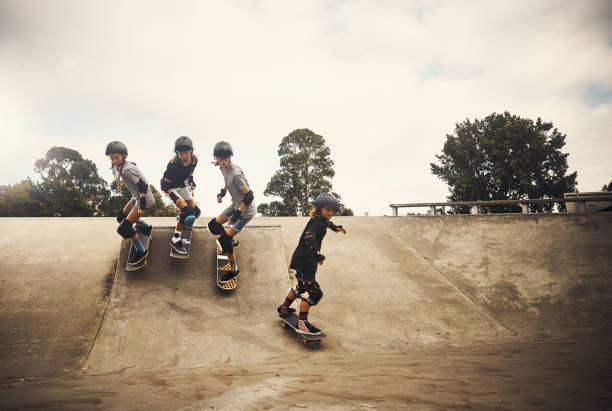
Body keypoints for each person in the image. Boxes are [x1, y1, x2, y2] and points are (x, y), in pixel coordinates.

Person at [277, 193, 346, 334]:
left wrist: (336, 228)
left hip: (299, 258)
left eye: (332, 210)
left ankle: (284, 308)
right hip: (307, 260)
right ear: (320, 209)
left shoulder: (319, 219)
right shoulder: (318, 223)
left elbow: (327, 223)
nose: (330, 213)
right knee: (313, 293)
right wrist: (317, 255)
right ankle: (302, 324)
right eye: (328, 210)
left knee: (301, 287)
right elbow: (309, 237)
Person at [207, 141, 256, 282]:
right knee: (214, 226)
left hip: (246, 210)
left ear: (230, 157)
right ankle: (231, 240)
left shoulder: (236, 174)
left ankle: (233, 269)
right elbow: (227, 182)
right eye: (219, 159)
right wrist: (222, 193)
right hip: (235, 204)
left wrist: (237, 214)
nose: (222, 162)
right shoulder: (222, 167)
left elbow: (249, 195)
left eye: (224, 159)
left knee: (224, 240)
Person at [106, 141, 155, 267]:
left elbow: (143, 185)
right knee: (121, 217)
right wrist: (123, 183)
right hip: (136, 196)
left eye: (116, 158)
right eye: (111, 158)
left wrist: (142, 204)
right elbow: (134, 166)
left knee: (124, 228)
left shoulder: (127, 170)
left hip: (143, 199)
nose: (114, 161)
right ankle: (145, 227)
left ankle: (141, 251)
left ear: (124, 156)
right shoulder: (119, 166)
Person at [160, 136, 201, 255]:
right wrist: (173, 196)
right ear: (177, 153)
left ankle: (181, 219)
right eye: (180, 153)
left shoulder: (194, 160)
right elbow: (165, 184)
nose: (183, 156)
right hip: (169, 187)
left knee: (196, 212)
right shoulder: (173, 165)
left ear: (191, 152)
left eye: (186, 153)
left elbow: (191, 171)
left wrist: (191, 180)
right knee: (188, 212)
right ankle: (175, 239)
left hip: (181, 185)